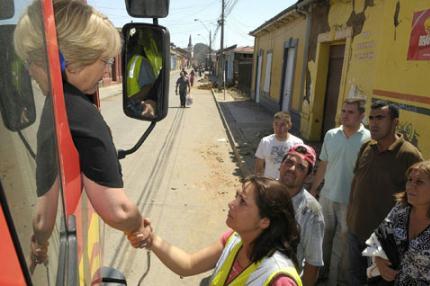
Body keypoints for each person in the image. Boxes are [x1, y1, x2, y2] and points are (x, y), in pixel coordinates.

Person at [14, 0, 150, 267]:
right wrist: (138, 226)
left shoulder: (53, 109)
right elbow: (117, 210)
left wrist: (39, 242)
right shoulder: (81, 112)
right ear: (74, 64)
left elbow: (44, 213)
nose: (108, 71)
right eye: (106, 62)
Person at [129, 176, 303, 285]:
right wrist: (151, 239)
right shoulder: (234, 240)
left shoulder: (279, 279)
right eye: (236, 196)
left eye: (242, 201)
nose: (231, 203)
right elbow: (188, 264)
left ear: (264, 221)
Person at [346, 100, 423, 285]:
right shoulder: (367, 147)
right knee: (354, 279)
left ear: (395, 122)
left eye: (380, 117)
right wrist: (349, 219)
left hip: (384, 243)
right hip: (355, 232)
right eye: (371, 118)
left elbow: (419, 201)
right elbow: (356, 182)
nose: (373, 123)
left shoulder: (409, 155)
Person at [309, 98, 370, 285]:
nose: (345, 115)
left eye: (351, 112)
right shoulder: (331, 134)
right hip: (327, 196)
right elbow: (324, 164)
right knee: (323, 238)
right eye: (343, 111)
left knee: (342, 244)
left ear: (361, 115)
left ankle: (334, 281)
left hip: (350, 201)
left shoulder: (368, 139)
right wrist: (313, 190)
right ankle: (320, 275)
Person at [373, 161, 430, 285]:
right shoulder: (400, 210)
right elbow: (378, 238)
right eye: (410, 180)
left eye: (419, 182)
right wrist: (379, 260)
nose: (410, 186)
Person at [278, 143, 325, 286]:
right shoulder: (262, 193)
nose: (292, 169)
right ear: (281, 165)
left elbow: (312, 264)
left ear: (309, 177)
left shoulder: (311, 212)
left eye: (300, 167)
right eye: (289, 162)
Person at [255, 111, 303, 179]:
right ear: (273, 125)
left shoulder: (297, 143)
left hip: (287, 185)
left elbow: (299, 167)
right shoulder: (265, 142)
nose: (278, 128)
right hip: (269, 184)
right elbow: (259, 167)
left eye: (282, 125)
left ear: (289, 125)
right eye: (276, 124)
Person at [125, 29, 162, 118]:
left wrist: (131, 100)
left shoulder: (138, 61)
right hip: (137, 107)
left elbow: (147, 87)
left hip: (136, 106)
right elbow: (148, 87)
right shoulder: (138, 61)